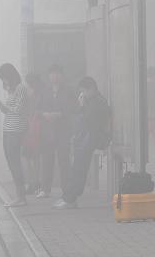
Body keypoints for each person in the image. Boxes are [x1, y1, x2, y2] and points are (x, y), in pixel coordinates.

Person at [53, 77, 110, 210]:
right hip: (85, 138)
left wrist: (82, 106)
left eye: (84, 91)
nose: (82, 94)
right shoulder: (91, 101)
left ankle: (70, 199)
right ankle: (68, 197)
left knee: (78, 168)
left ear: (92, 88)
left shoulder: (98, 102)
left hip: (91, 138)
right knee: (76, 168)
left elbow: (89, 121)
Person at [0, 63, 29, 207]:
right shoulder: (12, 90)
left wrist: (4, 105)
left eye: (4, 78)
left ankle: (21, 197)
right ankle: (19, 196)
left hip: (16, 130)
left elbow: (18, 110)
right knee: (11, 162)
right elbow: (9, 111)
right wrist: (1, 107)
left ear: (10, 76)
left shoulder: (20, 88)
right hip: (8, 129)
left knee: (15, 163)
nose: (4, 81)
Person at [36, 65, 75, 198]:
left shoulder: (69, 91)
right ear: (48, 76)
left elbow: (72, 109)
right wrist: (45, 114)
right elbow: (38, 109)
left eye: (57, 74)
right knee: (47, 160)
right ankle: (45, 189)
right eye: (52, 74)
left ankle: (66, 188)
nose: (55, 76)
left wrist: (59, 114)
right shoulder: (44, 91)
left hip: (63, 130)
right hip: (47, 131)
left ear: (62, 76)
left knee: (64, 160)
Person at [22, 73, 44, 195]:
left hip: (33, 129)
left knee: (31, 157)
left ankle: (34, 182)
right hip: (32, 129)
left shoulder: (35, 95)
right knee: (32, 157)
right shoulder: (36, 94)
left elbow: (29, 110)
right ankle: (34, 182)